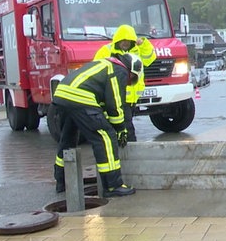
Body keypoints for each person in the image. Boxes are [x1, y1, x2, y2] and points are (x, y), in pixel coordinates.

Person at [52, 53, 143, 196]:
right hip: (80, 97)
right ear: (132, 71)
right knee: (106, 137)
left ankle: (62, 181)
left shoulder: (104, 64)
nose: (128, 82)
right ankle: (113, 186)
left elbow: (101, 101)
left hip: (62, 95)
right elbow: (114, 104)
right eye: (131, 79)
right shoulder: (119, 70)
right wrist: (120, 129)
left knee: (68, 139)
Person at [93, 24, 156, 141]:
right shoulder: (106, 50)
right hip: (116, 96)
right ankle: (130, 146)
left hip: (132, 98)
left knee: (123, 123)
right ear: (118, 40)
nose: (126, 43)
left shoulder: (138, 50)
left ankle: (121, 145)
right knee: (126, 125)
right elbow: (97, 70)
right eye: (123, 40)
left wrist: (144, 43)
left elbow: (150, 59)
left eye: (128, 40)